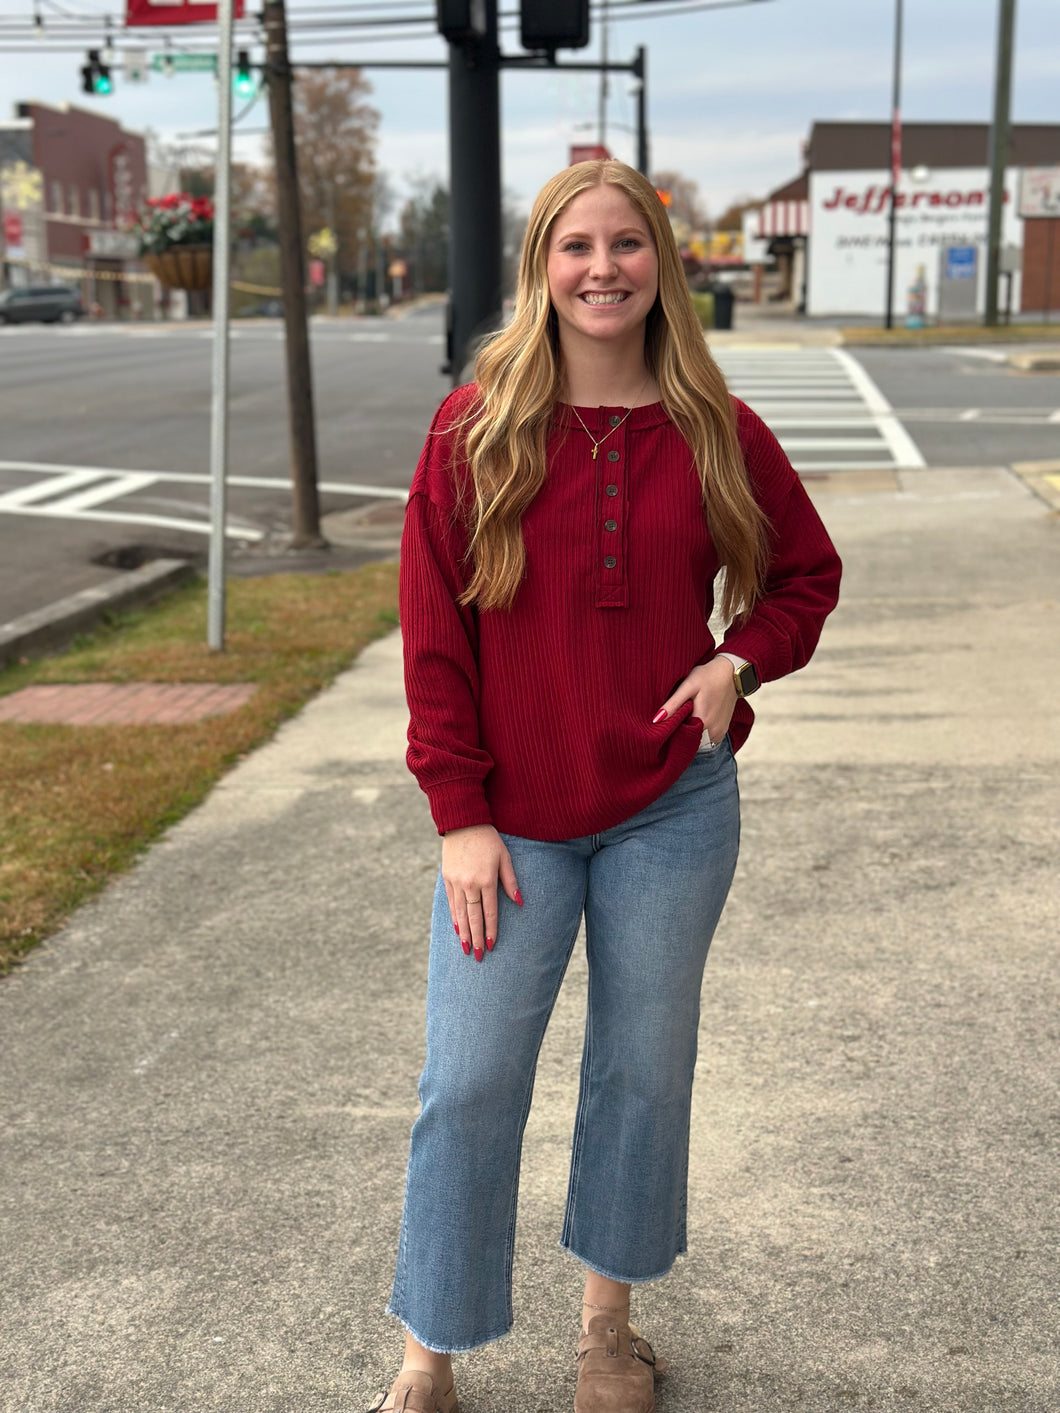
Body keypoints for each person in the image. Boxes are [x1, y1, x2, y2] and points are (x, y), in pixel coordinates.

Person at [372, 159, 842, 1413]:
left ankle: (607, 1333)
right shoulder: (471, 431)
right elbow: (433, 640)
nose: (602, 268)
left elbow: (805, 577)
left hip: (673, 808)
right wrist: (459, 817)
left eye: (626, 244)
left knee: (642, 1069)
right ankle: (432, 1349)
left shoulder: (714, 429)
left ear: (660, 265)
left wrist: (737, 663)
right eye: (574, 245)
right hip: (512, 822)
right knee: (467, 1082)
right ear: (541, 267)